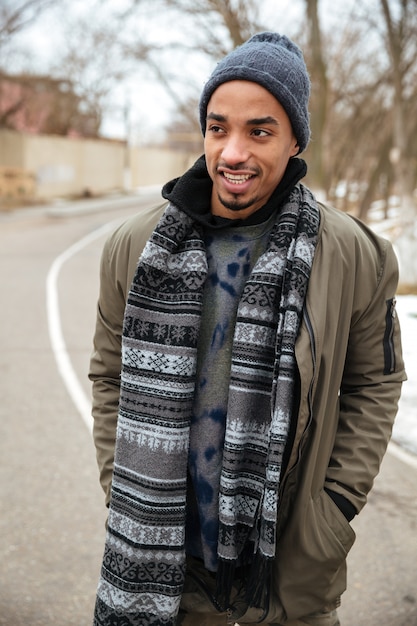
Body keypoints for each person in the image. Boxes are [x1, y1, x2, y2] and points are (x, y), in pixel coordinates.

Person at [90, 32, 406, 626]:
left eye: (259, 131)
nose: (232, 152)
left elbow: (375, 385)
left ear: (294, 141)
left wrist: (333, 508)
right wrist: (120, 485)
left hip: (289, 580)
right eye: (217, 128)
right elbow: (109, 375)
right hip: (163, 567)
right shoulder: (134, 248)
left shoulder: (356, 255)